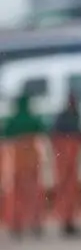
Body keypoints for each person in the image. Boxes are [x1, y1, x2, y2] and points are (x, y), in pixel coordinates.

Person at [2, 91, 47, 239]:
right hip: (32, 164)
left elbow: (5, 132)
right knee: (33, 195)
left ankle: (16, 225)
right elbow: (43, 127)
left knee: (17, 196)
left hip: (17, 164)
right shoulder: (32, 120)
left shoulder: (13, 122)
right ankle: (35, 223)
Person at [50, 94, 81, 238]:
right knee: (67, 190)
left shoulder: (67, 117)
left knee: (67, 190)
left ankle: (68, 221)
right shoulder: (70, 118)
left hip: (68, 162)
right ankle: (67, 221)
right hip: (67, 161)